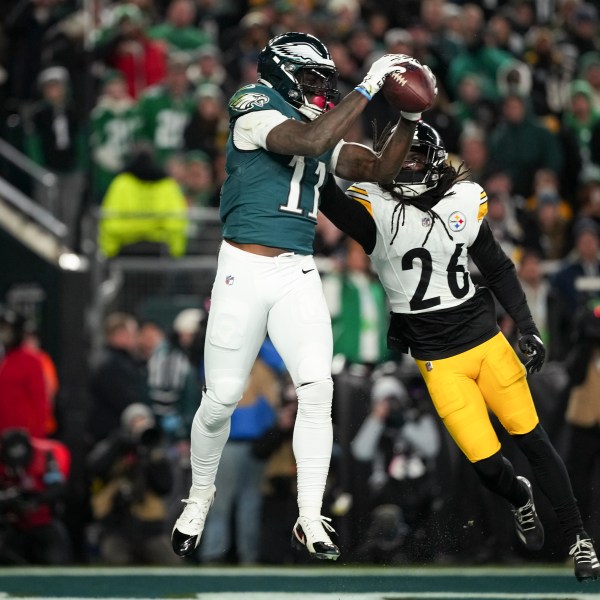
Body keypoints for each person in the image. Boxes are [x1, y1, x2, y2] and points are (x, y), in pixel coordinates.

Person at [171, 31, 438, 562]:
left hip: (297, 269)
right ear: (282, 71)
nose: (321, 89)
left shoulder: (317, 124)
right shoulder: (252, 104)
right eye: (314, 78)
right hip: (244, 268)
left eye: (326, 82)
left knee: (319, 389)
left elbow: (379, 168)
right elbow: (310, 142)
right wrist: (368, 85)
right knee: (221, 398)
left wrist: (408, 119)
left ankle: (310, 515)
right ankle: (199, 496)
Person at [319, 120, 599, 581]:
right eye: (399, 157)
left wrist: (526, 326)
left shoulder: (461, 202)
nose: (406, 165)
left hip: (487, 344)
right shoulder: (377, 212)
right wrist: (312, 152)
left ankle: (579, 541)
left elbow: (497, 266)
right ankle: (518, 498)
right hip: (439, 363)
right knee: (488, 465)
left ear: (432, 161)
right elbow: (330, 196)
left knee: (534, 440)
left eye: (414, 157)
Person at [0, 428, 72, 565]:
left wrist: (35, 501)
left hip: (42, 521)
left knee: (56, 556)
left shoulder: (46, 456)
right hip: (11, 525)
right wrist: (8, 498)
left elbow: (58, 487)